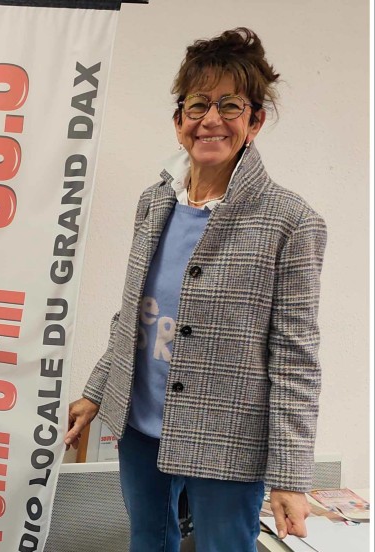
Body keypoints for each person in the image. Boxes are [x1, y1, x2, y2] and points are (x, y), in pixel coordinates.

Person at [65, 28, 326, 552]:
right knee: (148, 540)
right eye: (198, 104)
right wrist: (96, 391)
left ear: (255, 121)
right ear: (179, 120)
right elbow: (133, 315)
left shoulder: (291, 222)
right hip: (140, 423)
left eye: (230, 105)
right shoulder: (154, 202)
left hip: (228, 435)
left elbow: (296, 359)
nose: (211, 119)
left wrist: (290, 476)